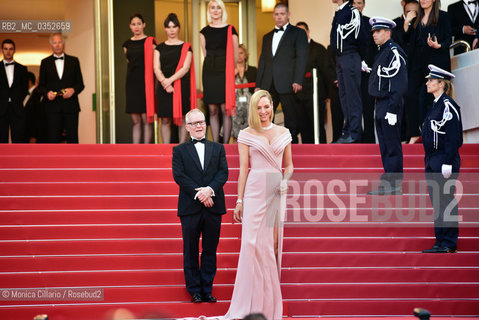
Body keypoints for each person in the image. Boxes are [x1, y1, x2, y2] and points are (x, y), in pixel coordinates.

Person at [225, 90, 293, 320]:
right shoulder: (245, 134)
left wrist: (284, 181)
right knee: (251, 245)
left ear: (273, 106)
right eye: (259, 108)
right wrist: (240, 200)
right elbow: (243, 169)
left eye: (266, 107)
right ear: (253, 109)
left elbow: (290, 166)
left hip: (275, 188)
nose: (263, 112)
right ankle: (248, 304)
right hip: (254, 191)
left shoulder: (284, 132)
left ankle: (268, 305)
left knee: (272, 246)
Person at [172, 109, 228, 303]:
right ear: (187, 127)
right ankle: (194, 290)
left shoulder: (218, 148)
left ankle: (207, 289)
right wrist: (200, 194)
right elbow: (179, 176)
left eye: (201, 122)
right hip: (190, 207)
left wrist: (209, 190)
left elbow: (223, 173)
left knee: (210, 250)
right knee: (191, 250)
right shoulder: (179, 151)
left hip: (213, 206)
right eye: (194, 123)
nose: (198, 126)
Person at [421, 65, 462, 253]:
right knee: (437, 201)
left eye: (431, 80)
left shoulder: (448, 105)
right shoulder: (436, 105)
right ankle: (440, 240)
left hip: (443, 159)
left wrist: (447, 160)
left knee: (445, 200)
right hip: (432, 159)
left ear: (441, 84)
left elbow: (454, 136)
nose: (428, 82)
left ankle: (449, 242)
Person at [256, 2, 309, 144]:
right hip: (268, 83)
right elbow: (262, 61)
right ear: (273, 15)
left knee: (291, 117)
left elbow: (302, 58)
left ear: (288, 15)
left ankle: (291, 148)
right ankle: (267, 145)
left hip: (288, 82)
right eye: (277, 14)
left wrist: (298, 80)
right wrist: (258, 84)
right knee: (266, 116)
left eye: (282, 14)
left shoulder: (298, 33)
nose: (279, 17)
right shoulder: (267, 37)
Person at [366, 18, 408, 195]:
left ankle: (394, 184)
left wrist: (392, 109)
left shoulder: (393, 52)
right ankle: (389, 183)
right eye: (374, 32)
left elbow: (399, 84)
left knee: (391, 146)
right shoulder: (382, 52)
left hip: (389, 104)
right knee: (384, 145)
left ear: (388, 32)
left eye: (378, 31)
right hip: (380, 103)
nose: (375, 34)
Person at [403, 0, 452, 144]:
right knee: (410, 95)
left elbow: (449, 39)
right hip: (417, 63)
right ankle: (414, 133)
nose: (423, 0)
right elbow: (407, 39)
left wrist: (439, 45)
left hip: (435, 63)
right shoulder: (416, 17)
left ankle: (429, 133)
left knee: (426, 99)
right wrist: (407, 23)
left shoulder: (442, 16)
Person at [200, 0, 239, 144]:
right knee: (212, 109)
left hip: (225, 72)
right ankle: (215, 143)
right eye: (212, 8)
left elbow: (235, 55)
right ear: (209, 11)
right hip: (209, 72)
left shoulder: (231, 29)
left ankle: (226, 145)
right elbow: (205, 53)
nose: (215, 10)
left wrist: (230, 72)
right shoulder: (204, 31)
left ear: (222, 10)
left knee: (225, 109)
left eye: (218, 8)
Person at [154, 13, 196, 144]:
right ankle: (166, 148)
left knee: (183, 118)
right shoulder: (159, 47)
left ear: (179, 28)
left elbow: (185, 68)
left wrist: (169, 81)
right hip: (163, 87)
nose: (171, 30)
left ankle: (182, 147)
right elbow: (156, 68)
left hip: (181, 86)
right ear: (165, 29)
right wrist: (165, 83)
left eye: (174, 26)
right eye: (168, 27)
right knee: (165, 119)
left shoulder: (186, 46)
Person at [330, 0, 368, 144]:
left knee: (353, 97)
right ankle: (348, 131)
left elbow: (362, 38)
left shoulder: (352, 12)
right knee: (344, 97)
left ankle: (355, 133)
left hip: (350, 55)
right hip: (340, 58)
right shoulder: (340, 11)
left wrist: (360, 58)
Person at [38, 33, 84, 143]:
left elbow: (80, 84)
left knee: (73, 139)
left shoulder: (74, 61)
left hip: (71, 107)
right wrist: (47, 93)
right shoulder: (45, 62)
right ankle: (53, 161)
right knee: (53, 139)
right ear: (51, 45)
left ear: (63, 44)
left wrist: (73, 90)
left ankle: (74, 160)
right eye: (55, 43)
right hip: (52, 108)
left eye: (59, 42)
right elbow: (41, 86)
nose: (57, 45)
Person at [123, 13, 156, 144]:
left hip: (146, 83)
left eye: (138, 24)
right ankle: (135, 151)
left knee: (146, 118)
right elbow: (129, 62)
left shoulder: (151, 41)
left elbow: (155, 64)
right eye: (133, 24)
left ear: (144, 25)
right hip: (131, 83)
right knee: (135, 120)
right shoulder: (126, 44)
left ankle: (147, 150)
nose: (136, 27)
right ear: (130, 26)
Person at [295, 22, 330, 144]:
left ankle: (323, 158)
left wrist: (326, 94)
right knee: (304, 129)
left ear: (308, 32)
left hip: (315, 95)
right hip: (298, 96)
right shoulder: (293, 51)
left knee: (318, 127)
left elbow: (326, 72)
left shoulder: (318, 48)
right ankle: (307, 158)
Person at [352, 0, 377, 143]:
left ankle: (369, 143)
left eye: (359, 3)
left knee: (368, 110)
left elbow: (374, 47)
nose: (356, 6)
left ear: (364, 5)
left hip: (367, 74)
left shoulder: (370, 23)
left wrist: (366, 63)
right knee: (353, 111)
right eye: (354, 3)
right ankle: (355, 141)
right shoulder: (344, 23)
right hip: (350, 74)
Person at [0, 39, 28, 143]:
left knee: (19, 140)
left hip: (17, 109)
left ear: (14, 50)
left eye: (11, 49)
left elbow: (25, 89)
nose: (8, 51)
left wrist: (16, 99)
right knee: (1, 141)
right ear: (2, 50)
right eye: (6, 49)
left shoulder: (22, 69)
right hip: (1, 109)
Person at [232, 44, 257, 143]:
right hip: (235, 105)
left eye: (241, 53)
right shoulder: (229, 71)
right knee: (235, 132)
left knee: (251, 131)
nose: (239, 56)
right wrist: (233, 74)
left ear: (245, 55)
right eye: (236, 53)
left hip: (249, 105)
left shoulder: (253, 70)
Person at [24, 72, 47, 143]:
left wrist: (34, 135)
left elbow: (36, 117)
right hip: (27, 134)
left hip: (39, 136)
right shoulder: (31, 94)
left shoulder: (38, 95)